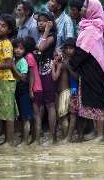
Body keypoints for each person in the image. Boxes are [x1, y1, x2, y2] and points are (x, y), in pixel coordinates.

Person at [71, 0, 104, 141]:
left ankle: (100, 135)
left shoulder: (92, 29)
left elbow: (83, 51)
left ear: (92, 10)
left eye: (85, 7)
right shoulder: (88, 26)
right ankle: (96, 133)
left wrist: (71, 63)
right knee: (91, 101)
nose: (82, 10)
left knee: (97, 102)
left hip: (94, 69)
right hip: (88, 69)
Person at [0, 14, 18, 147]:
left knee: (8, 112)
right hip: (0, 79)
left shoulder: (7, 43)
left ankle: (9, 141)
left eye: (3, 26)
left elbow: (8, 64)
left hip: (6, 80)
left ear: (9, 30)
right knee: (3, 110)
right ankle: (6, 139)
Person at [34, 12, 58, 143]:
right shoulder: (42, 35)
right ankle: (39, 136)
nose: (40, 23)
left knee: (50, 104)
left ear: (50, 23)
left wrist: (47, 30)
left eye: (44, 21)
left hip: (48, 70)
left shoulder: (51, 35)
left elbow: (41, 47)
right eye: (39, 21)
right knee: (41, 104)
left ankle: (52, 136)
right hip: (39, 70)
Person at [12, 38, 32, 145]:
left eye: (21, 48)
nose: (18, 50)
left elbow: (24, 78)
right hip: (16, 90)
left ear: (25, 50)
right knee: (19, 117)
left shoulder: (23, 61)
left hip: (23, 90)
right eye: (16, 48)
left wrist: (13, 67)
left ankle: (25, 141)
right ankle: (21, 139)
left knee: (25, 117)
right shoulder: (14, 60)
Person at [23, 36, 43, 144]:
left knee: (36, 115)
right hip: (37, 88)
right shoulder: (30, 55)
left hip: (35, 88)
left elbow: (31, 75)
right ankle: (35, 139)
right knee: (35, 115)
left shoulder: (29, 56)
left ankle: (37, 140)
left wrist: (30, 90)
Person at [52, 47, 71, 139]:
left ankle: (65, 137)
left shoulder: (60, 65)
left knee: (64, 117)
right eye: (54, 55)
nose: (55, 57)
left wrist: (52, 67)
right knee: (62, 116)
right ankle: (64, 136)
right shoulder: (63, 64)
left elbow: (55, 78)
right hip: (63, 93)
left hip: (64, 93)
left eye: (57, 55)